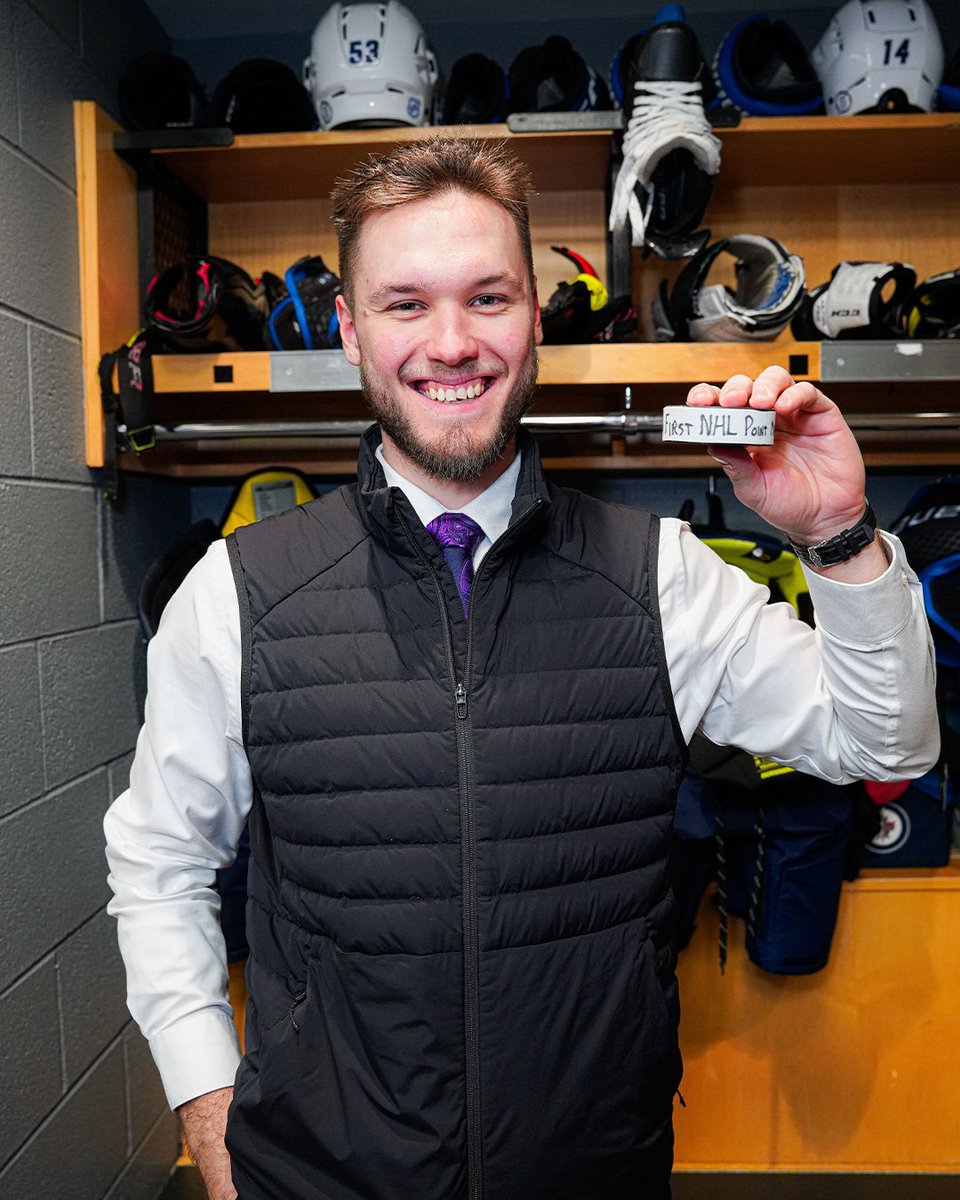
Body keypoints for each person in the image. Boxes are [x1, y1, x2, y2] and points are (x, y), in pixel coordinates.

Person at [104, 138, 938, 1200]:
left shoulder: (662, 580)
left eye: (488, 298)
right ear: (352, 331)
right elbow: (159, 862)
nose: (451, 343)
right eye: (405, 304)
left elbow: (890, 743)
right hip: (314, 1179)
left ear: (535, 319)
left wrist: (839, 537)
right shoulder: (235, 593)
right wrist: (212, 1122)